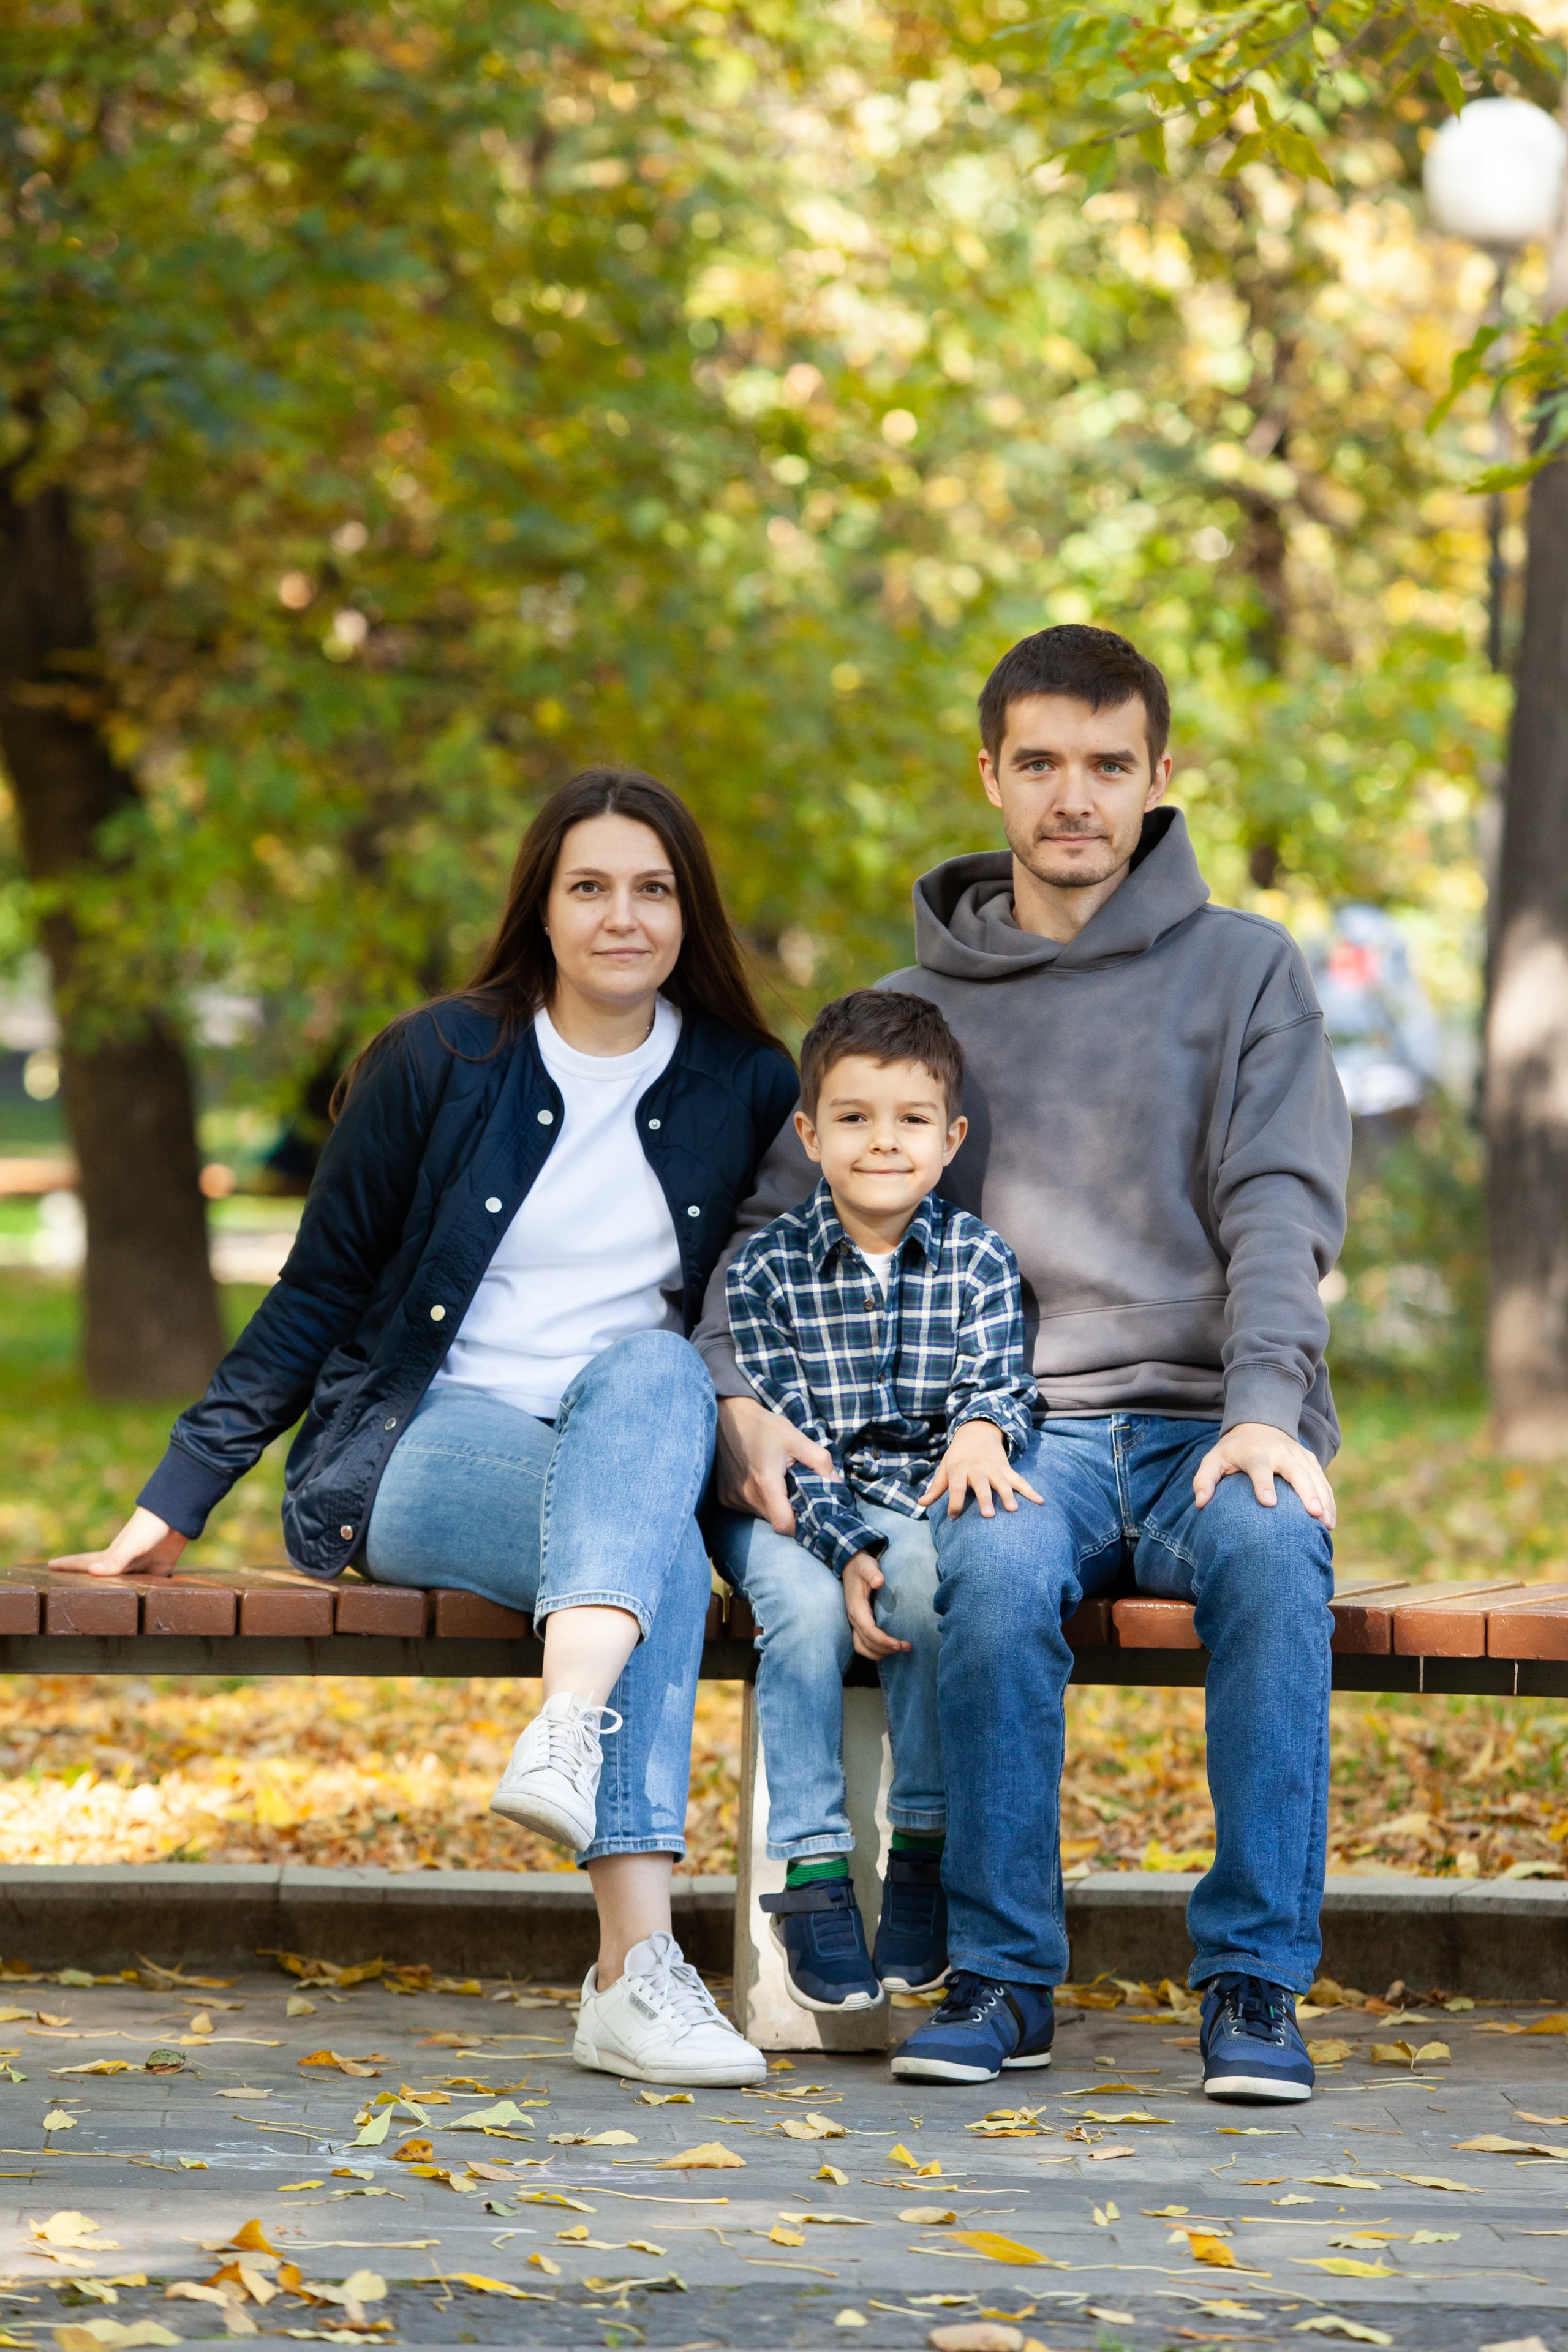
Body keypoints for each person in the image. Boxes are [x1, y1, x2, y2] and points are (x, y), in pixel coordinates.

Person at [55, 765, 799, 2090]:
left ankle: (570, 1738)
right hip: (421, 1444)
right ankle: (632, 1975)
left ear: (689, 912)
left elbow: (758, 1302)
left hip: (634, 1439)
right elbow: (318, 1290)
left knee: (650, 1374)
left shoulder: (743, 1079)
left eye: (652, 889)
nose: (621, 917)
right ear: (541, 906)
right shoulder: (439, 1059)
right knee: (652, 1559)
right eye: (588, 887)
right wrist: (177, 1494)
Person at [699, 624, 1351, 2101]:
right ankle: (1001, 1979)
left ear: (1157, 777)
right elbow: (765, 1233)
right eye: (1041, 762)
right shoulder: (908, 1012)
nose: (1073, 796)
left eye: (1107, 765)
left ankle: (1252, 1987)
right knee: (985, 1575)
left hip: (1208, 1423)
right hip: (1009, 1431)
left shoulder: (1245, 972)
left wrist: (1266, 1409)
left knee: (1271, 1557)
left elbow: (1278, 1207)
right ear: (988, 775)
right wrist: (735, 1395)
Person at [719, 989, 1038, 2015]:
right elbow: (784, 1442)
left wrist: (983, 1429)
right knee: (804, 1614)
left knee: (934, 1588)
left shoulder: (979, 1259)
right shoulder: (766, 1271)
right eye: (854, 1118)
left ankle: (923, 1850)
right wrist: (843, 1545)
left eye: (911, 1120)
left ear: (951, 1140)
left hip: (912, 1500)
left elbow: (1001, 1384)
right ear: (811, 1135)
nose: (884, 1142)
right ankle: (812, 1877)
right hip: (790, 1508)